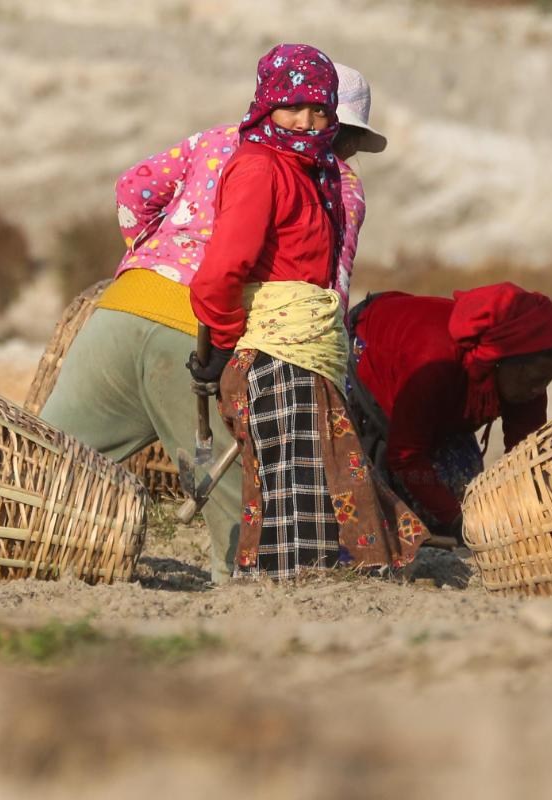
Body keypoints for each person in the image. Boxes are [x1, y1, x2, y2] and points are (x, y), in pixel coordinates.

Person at [40, 60, 387, 584]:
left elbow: (133, 188)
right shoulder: (336, 184)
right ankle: (243, 607)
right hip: (201, 336)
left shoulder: (218, 140)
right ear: (349, 131)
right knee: (240, 501)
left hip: (119, 311)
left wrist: (154, 255)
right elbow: (326, 295)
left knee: (46, 465)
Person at [188, 43, 425, 579]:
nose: (307, 121)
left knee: (318, 477)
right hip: (277, 355)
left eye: (320, 110)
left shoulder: (312, 174)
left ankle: (316, 584)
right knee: (293, 484)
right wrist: (224, 343)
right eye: (293, 107)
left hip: (304, 350)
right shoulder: (258, 168)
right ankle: (292, 596)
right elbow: (221, 271)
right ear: (266, 104)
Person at [345, 284, 552, 542]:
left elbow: (526, 457)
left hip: (440, 393)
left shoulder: (526, 377)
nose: (539, 390)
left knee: (467, 488)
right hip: (375, 358)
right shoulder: (433, 361)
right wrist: (459, 521)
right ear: (499, 361)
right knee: (403, 512)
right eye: (534, 379)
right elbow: (406, 454)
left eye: (548, 380)